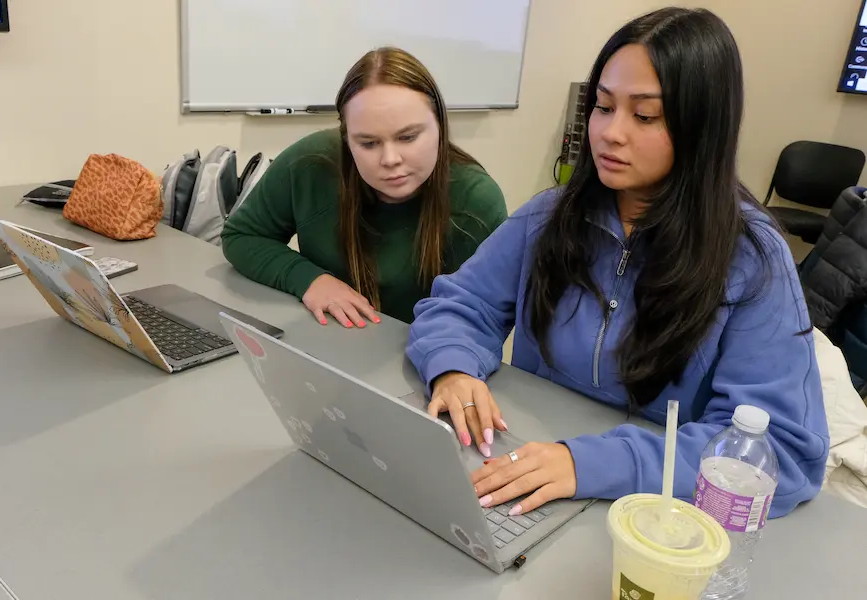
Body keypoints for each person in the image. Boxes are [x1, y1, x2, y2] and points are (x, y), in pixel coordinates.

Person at [406, 7, 829, 519]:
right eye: (603, 107)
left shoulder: (752, 256)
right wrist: (452, 366)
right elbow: (459, 304)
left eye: (644, 116)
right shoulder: (549, 215)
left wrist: (591, 464)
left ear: (702, 127)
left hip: (654, 512)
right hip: (527, 471)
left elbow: (777, 453)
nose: (609, 133)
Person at [222, 47, 508, 327]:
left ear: (440, 127)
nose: (390, 159)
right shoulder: (310, 163)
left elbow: (485, 315)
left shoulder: (476, 200)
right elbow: (243, 235)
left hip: (423, 356)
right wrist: (310, 280)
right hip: (322, 338)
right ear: (347, 139)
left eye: (408, 137)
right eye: (368, 143)